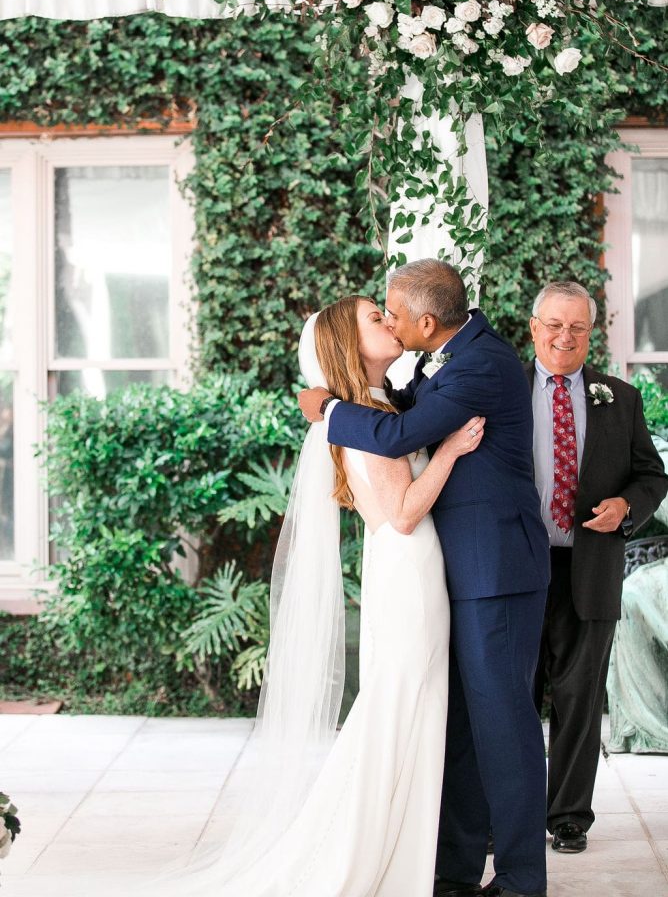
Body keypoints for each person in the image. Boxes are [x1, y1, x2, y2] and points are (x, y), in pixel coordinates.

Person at [114, 294, 483, 897]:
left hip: (405, 570)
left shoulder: (374, 407)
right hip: (408, 569)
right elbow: (405, 513)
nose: (388, 322)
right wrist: (449, 450)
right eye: (374, 317)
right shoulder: (364, 415)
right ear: (346, 342)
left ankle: (397, 854)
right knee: (401, 711)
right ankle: (372, 858)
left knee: (405, 710)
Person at [300, 259, 551, 897]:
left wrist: (329, 408)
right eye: (378, 315)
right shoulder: (449, 361)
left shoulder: (481, 363)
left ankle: (522, 880)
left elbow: (404, 433)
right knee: (463, 725)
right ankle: (454, 871)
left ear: (427, 321)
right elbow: (407, 416)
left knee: (504, 723)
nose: (389, 319)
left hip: (494, 570)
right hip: (451, 571)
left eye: (393, 312)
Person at [527, 281, 668, 854]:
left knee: (580, 697)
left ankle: (568, 818)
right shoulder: (501, 391)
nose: (565, 336)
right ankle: (500, 816)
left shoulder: (620, 398)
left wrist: (626, 507)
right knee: (512, 697)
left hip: (590, 568)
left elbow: (652, 476)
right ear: (534, 327)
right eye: (555, 325)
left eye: (577, 327)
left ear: (591, 332)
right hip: (517, 571)